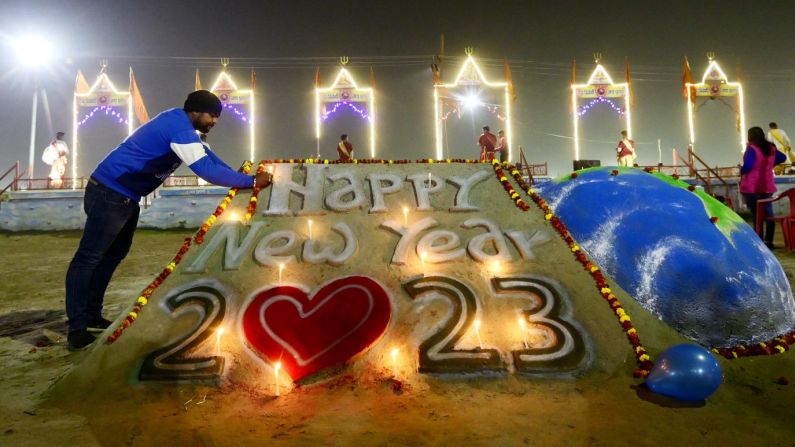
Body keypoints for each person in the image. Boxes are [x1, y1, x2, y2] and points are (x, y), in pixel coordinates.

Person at [64, 90, 272, 351]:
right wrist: (251, 182)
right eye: (212, 116)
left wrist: (239, 174)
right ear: (196, 111)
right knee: (89, 259)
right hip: (110, 192)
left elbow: (209, 157)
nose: (214, 122)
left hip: (124, 195)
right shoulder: (178, 127)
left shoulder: (185, 129)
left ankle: (92, 315)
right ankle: (77, 328)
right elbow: (205, 169)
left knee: (112, 256)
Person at [740, 126, 787, 249]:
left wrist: (742, 169)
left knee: (757, 215)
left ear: (750, 136)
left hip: (752, 187)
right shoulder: (770, 148)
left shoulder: (752, 149)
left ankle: (759, 241)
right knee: (768, 213)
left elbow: (748, 166)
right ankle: (769, 241)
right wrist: (771, 164)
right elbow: (783, 158)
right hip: (767, 186)